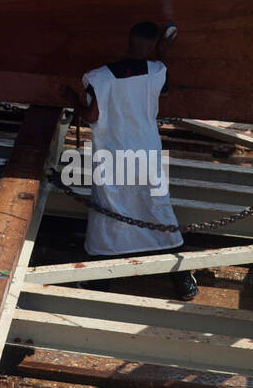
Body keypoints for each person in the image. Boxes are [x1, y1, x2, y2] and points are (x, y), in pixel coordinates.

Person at [64, 20, 197, 301]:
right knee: (158, 210)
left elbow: (90, 117)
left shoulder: (100, 77)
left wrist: (71, 99)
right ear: (151, 47)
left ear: (128, 39)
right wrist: (164, 49)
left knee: (107, 212)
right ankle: (182, 280)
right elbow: (156, 80)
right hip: (147, 153)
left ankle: (99, 282)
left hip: (113, 154)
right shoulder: (158, 70)